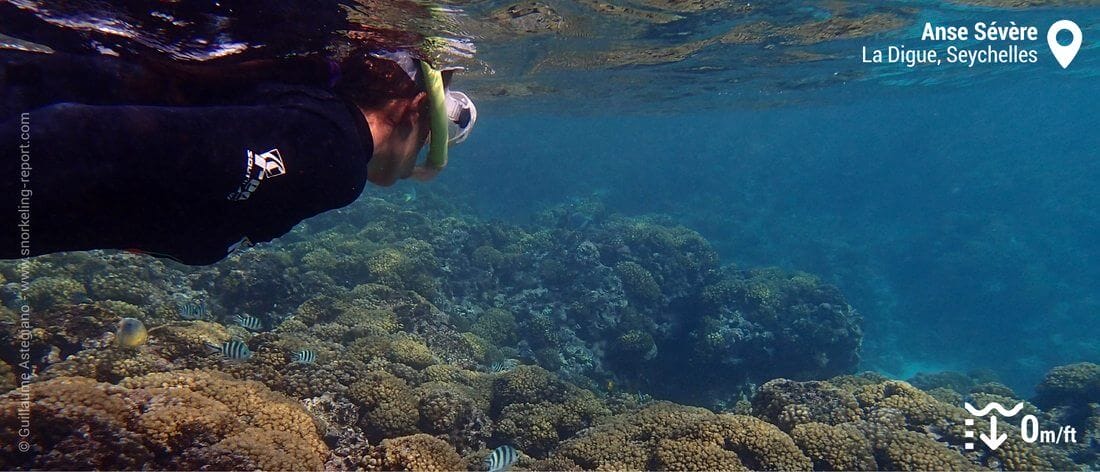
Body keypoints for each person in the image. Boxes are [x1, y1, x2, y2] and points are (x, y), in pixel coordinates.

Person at [0, 48, 476, 265]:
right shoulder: (332, 147)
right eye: (435, 138)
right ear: (416, 110)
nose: (419, 159)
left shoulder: (312, 110)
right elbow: (96, 138)